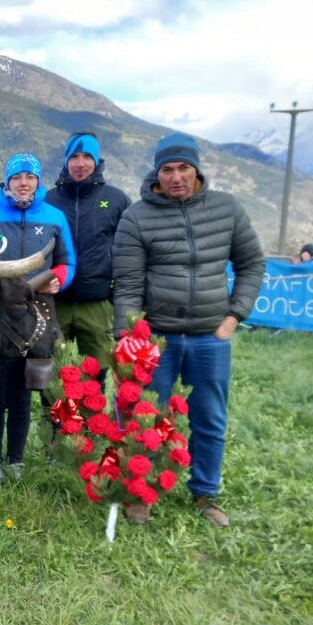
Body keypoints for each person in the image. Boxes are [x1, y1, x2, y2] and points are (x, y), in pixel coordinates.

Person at [113, 133, 265, 527]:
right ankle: (140, 492)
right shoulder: (137, 217)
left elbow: (252, 264)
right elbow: (127, 284)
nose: (176, 176)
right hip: (157, 339)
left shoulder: (226, 209)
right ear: (156, 173)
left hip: (210, 336)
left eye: (183, 168)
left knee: (209, 418)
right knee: (145, 417)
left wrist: (233, 318)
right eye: (167, 169)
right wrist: (126, 337)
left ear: (196, 169)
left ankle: (205, 493)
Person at [0, 153, 75, 483]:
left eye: (30, 177)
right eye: (17, 178)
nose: (23, 183)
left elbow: (67, 261)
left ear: (38, 182)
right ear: (7, 182)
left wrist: (60, 280)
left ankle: (16, 461)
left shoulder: (55, 217)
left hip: (39, 313)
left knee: (24, 392)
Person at [44, 133, 131, 378]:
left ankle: (92, 418)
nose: (80, 163)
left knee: (96, 376)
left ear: (96, 160)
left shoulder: (116, 200)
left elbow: (129, 252)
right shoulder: (49, 200)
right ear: (66, 161)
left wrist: (114, 295)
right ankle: (54, 418)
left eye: (86, 157)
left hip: (97, 303)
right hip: (56, 302)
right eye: (74, 157)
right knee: (53, 373)